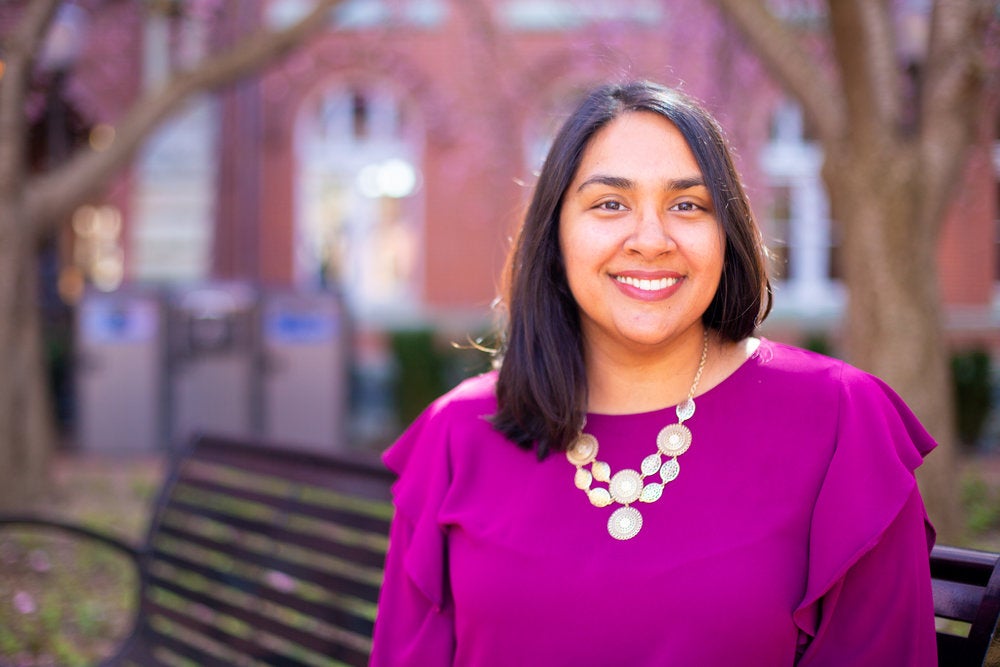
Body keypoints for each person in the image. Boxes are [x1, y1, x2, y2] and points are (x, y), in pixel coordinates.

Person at [369, 80, 937, 666]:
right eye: (610, 204)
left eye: (688, 205)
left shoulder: (841, 420)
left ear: (728, 233)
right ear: (556, 235)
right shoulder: (459, 433)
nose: (651, 240)